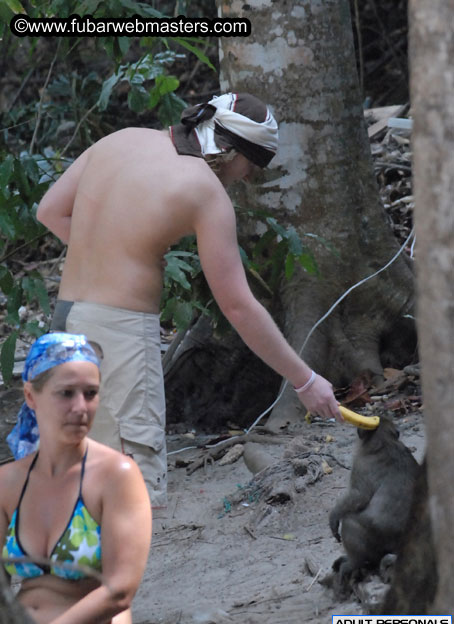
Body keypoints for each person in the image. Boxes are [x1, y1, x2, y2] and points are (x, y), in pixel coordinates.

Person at [36, 92, 342, 508]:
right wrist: (305, 380)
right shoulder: (204, 191)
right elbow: (238, 306)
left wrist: (113, 248)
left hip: (67, 321)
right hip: (119, 340)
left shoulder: (121, 140)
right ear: (229, 150)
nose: (249, 177)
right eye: (253, 164)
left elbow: (50, 211)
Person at [1, 333, 151, 624]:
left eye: (91, 393)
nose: (81, 407)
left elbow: (118, 591)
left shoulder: (117, 476)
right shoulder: (8, 483)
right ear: (31, 396)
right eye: (66, 393)